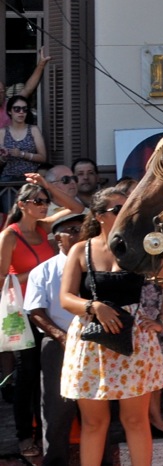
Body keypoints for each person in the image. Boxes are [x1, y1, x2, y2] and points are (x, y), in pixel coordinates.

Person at [59, 185, 163, 466]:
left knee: (136, 420)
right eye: (118, 209)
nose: (127, 213)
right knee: (93, 422)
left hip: (134, 341)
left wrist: (162, 320)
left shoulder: (138, 250)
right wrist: (94, 307)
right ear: (100, 216)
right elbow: (65, 298)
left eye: (128, 208)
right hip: (92, 342)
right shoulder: (80, 250)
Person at [1, 182, 59, 458]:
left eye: (45, 200)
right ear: (21, 204)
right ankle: (25, 434)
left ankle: (47, 431)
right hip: (22, 312)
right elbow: (1, 280)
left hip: (47, 309)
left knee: (48, 371)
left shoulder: (44, 228)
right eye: (37, 200)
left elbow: (75, 208)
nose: (43, 204)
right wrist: (36, 272)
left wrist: (47, 185)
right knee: (27, 374)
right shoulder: (9, 236)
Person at [21, 210, 84, 466]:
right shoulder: (42, 271)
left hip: (94, 344)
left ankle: (103, 459)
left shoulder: (94, 264)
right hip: (57, 344)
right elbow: (35, 311)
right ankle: (55, 461)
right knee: (56, 410)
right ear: (57, 238)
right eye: (71, 230)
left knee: (99, 407)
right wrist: (60, 336)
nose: (78, 233)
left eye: (81, 228)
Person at [1, 95, 47, 186]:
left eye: (24, 109)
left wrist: (22, 154)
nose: (21, 112)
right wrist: (3, 157)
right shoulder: (2, 132)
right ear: (10, 111)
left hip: (30, 178)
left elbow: (43, 157)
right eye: (17, 109)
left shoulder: (33, 130)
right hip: (8, 179)